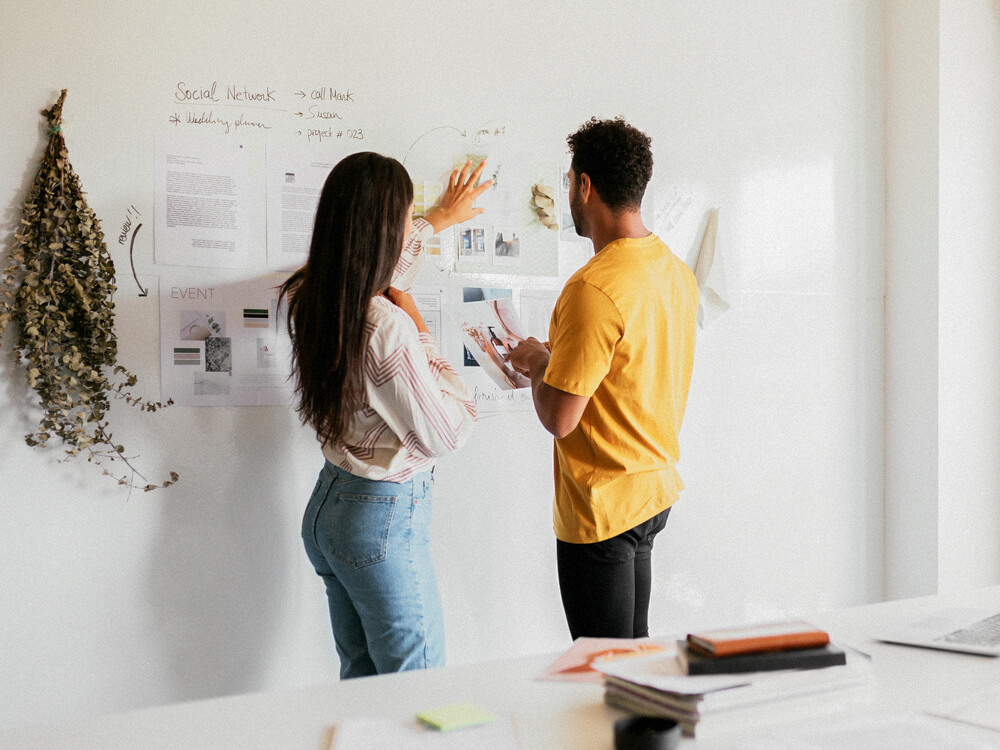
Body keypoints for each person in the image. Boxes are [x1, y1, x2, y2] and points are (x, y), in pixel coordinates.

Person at [280, 152, 491, 678]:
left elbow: (389, 266)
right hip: (380, 522)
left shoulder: (315, 292)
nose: (407, 228)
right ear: (379, 230)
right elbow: (449, 431)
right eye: (403, 217)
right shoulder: (386, 324)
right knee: (414, 684)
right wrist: (419, 326)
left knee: (365, 682)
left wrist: (438, 218)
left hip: (332, 510)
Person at [507, 118, 698, 639]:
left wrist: (538, 362)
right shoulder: (675, 273)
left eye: (569, 181)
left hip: (603, 509)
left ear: (584, 185)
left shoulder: (593, 288)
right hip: (653, 494)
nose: (569, 192)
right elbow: (628, 369)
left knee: (602, 674)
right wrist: (557, 358)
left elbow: (560, 418)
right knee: (630, 663)